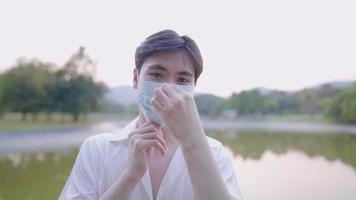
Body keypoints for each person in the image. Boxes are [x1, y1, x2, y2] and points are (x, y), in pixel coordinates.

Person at [59, 29, 243, 200]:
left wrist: (192, 142)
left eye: (182, 80)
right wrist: (130, 176)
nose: (167, 88)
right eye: (156, 75)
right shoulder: (97, 149)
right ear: (135, 78)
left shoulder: (214, 153)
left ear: (193, 87)